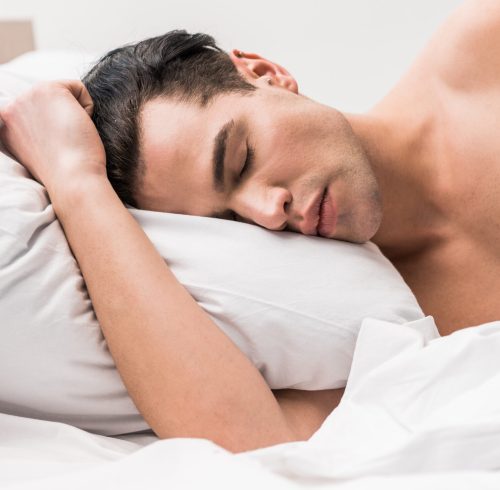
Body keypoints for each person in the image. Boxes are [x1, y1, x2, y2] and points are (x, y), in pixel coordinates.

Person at [1, 0, 498, 452]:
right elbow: (257, 444)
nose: (267, 211)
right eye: (229, 221)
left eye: (240, 160)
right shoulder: (363, 335)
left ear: (265, 72)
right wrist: (77, 186)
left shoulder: (482, 51)